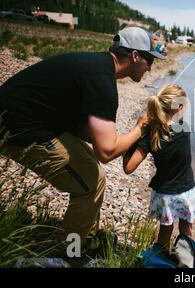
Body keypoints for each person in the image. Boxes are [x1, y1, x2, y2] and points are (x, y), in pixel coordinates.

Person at [0, 26, 166, 248]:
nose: (151, 67)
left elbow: (81, 127)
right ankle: (71, 251)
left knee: (89, 165)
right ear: (135, 56)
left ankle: (85, 236)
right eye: (149, 60)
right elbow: (106, 152)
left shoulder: (96, 66)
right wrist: (141, 128)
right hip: (18, 127)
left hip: (37, 120)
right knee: (90, 181)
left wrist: (121, 138)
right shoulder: (102, 81)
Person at [123, 83, 195, 249]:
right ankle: (186, 261)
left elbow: (128, 168)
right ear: (179, 107)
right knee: (186, 232)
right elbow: (172, 123)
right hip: (186, 191)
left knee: (165, 232)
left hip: (164, 194)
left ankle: (161, 260)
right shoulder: (184, 128)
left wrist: (138, 129)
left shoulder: (151, 134)